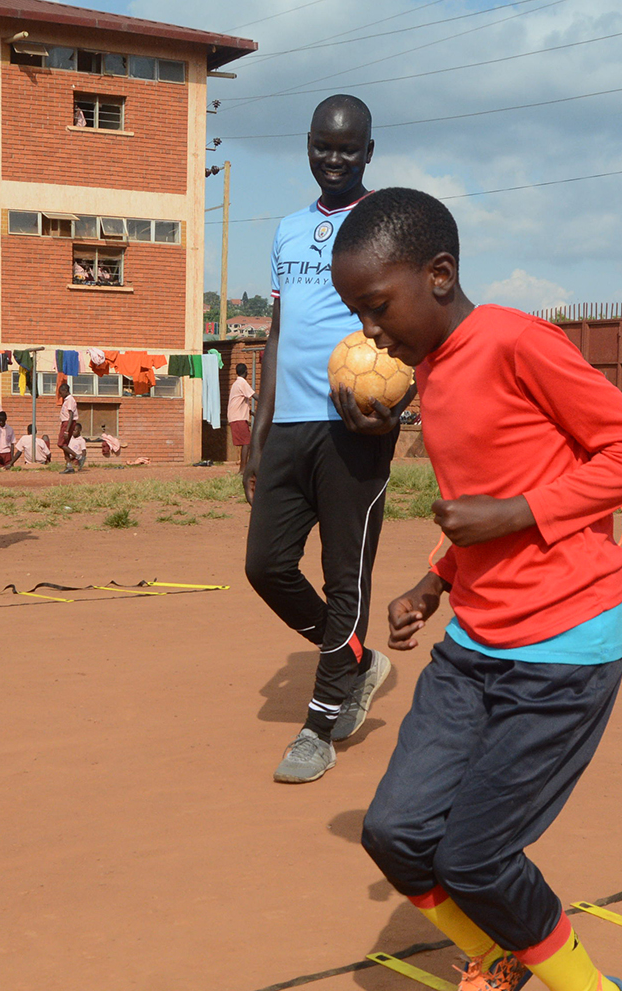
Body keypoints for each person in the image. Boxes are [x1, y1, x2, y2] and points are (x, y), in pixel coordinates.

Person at [332, 188, 622, 991]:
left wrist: (517, 515)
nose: (372, 331)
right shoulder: (431, 372)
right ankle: (492, 963)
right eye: (359, 312)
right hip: (479, 640)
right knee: (397, 833)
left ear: (439, 276)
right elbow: (489, 489)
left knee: (477, 856)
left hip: (567, 646)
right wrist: (436, 579)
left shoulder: (520, 343)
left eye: (378, 306)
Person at [241, 94, 397, 784]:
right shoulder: (286, 230)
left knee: (345, 581)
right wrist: (259, 428)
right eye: (323, 146)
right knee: (265, 565)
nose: (334, 158)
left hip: (354, 429)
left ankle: (320, 724)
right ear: (308, 145)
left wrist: (399, 398)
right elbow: (277, 335)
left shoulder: (388, 227)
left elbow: (424, 323)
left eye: (348, 148)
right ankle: (354, 657)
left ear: (369, 151)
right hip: (291, 426)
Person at [227, 363, 255, 454]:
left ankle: (243, 465)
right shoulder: (242, 382)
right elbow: (255, 396)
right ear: (246, 372)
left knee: (246, 443)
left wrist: (252, 413)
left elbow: (239, 404)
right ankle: (243, 468)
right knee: (246, 443)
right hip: (238, 418)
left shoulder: (236, 384)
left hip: (236, 416)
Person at [56, 377, 77, 463]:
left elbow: (71, 415)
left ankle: (78, 456)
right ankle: (69, 465)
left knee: (60, 444)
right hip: (65, 423)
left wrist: (67, 430)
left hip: (67, 423)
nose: (60, 395)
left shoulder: (70, 400)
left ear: (65, 391)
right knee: (65, 445)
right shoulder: (66, 400)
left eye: (61, 393)